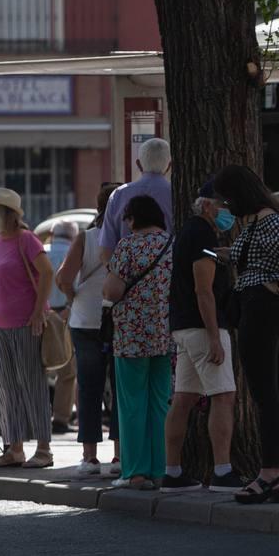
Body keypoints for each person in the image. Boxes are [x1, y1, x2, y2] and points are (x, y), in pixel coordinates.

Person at [214, 165, 279, 504]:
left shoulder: (269, 221)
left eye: (227, 198)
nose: (225, 205)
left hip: (263, 307)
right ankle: (275, 475)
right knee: (273, 392)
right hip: (267, 305)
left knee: (265, 393)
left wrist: (277, 284)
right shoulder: (257, 222)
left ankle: (269, 472)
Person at [161, 179, 243, 492]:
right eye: (224, 206)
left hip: (182, 327)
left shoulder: (191, 233)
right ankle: (223, 471)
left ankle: (173, 471)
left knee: (183, 399)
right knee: (223, 396)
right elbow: (203, 290)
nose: (228, 213)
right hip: (202, 327)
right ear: (207, 205)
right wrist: (213, 336)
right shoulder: (202, 234)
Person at [0, 188, 55, 469]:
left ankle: (44, 448)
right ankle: (15, 448)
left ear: (10, 215)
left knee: (32, 385)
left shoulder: (26, 240)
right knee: (7, 387)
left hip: (26, 324)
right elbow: (1, 279)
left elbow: (47, 272)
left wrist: (36, 312)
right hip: (1, 325)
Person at [103, 195, 174, 490]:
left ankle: (135, 472)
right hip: (165, 333)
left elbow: (112, 291)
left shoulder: (128, 246)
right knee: (160, 404)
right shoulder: (172, 244)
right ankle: (161, 469)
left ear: (134, 219)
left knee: (132, 404)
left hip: (131, 335)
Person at [55, 183, 121, 477]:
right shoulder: (129, 237)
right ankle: (121, 454)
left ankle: (90, 456)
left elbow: (63, 278)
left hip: (85, 321)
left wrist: (73, 297)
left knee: (89, 387)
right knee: (122, 389)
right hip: (119, 320)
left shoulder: (87, 237)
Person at [99, 138, 173, 265]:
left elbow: (106, 250)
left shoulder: (118, 194)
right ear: (169, 166)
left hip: (128, 277)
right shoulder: (176, 194)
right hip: (168, 277)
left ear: (138, 164)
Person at [48, 221, 78, 435]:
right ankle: (60, 418)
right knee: (67, 371)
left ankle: (37, 414)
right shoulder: (73, 254)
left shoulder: (41, 253)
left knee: (38, 367)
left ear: (52, 233)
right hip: (67, 313)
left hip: (41, 313)